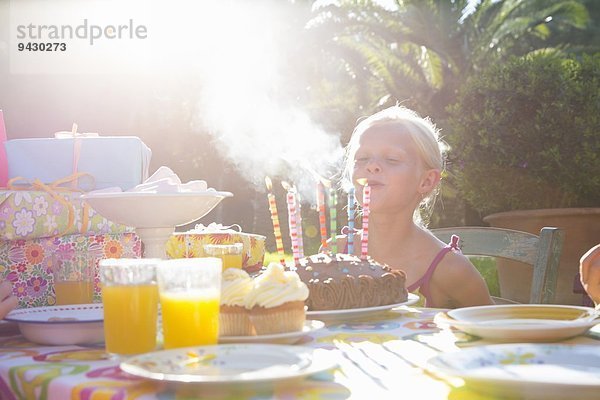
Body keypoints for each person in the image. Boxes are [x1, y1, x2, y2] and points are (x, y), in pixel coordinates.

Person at [334, 105, 493, 308]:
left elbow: (493, 328)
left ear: (426, 181)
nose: (371, 166)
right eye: (362, 158)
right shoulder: (334, 254)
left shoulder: (449, 269)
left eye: (391, 159)